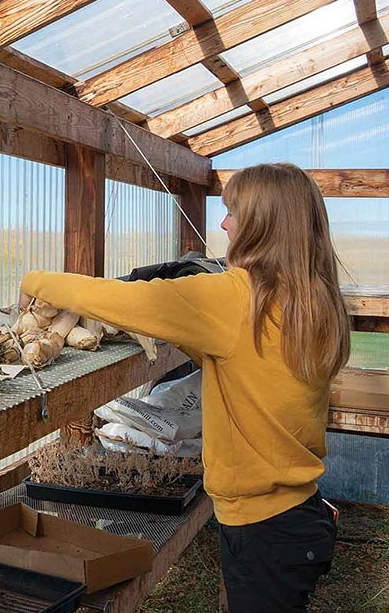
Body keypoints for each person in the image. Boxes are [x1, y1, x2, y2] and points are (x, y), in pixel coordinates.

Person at [20, 163, 347, 612]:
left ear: (261, 223)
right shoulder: (312, 296)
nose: (224, 223)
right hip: (296, 514)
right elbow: (258, 371)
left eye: (234, 212)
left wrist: (38, 282)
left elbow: (132, 300)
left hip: (262, 529)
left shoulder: (238, 298)